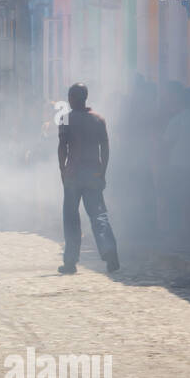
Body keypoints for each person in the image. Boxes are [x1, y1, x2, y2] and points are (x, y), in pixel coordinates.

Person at [57, 82, 120, 274]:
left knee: (71, 218)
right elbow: (106, 148)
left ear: (72, 98)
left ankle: (70, 261)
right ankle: (109, 252)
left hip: (73, 174)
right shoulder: (98, 120)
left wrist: (62, 170)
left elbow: (62, 147)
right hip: (93, 172)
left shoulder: (66, 119)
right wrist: (103, 172)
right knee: (98, 214)